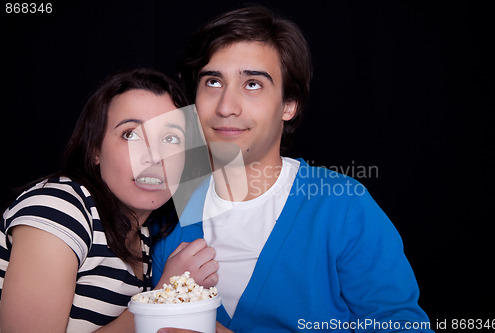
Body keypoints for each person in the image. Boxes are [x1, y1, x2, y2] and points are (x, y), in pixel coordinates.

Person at [152, 5, 434, 333]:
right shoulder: (168, 213)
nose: (226, 106)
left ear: (289, 105)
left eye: (253, 84)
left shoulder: (342, 208)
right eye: (213, 82)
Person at [0, 68, 217, 332]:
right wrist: (163, 296)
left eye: (171, 138)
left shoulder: (147, 237)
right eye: (131, 134)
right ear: (95, 151)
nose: (154, 156)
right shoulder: (59, 208)